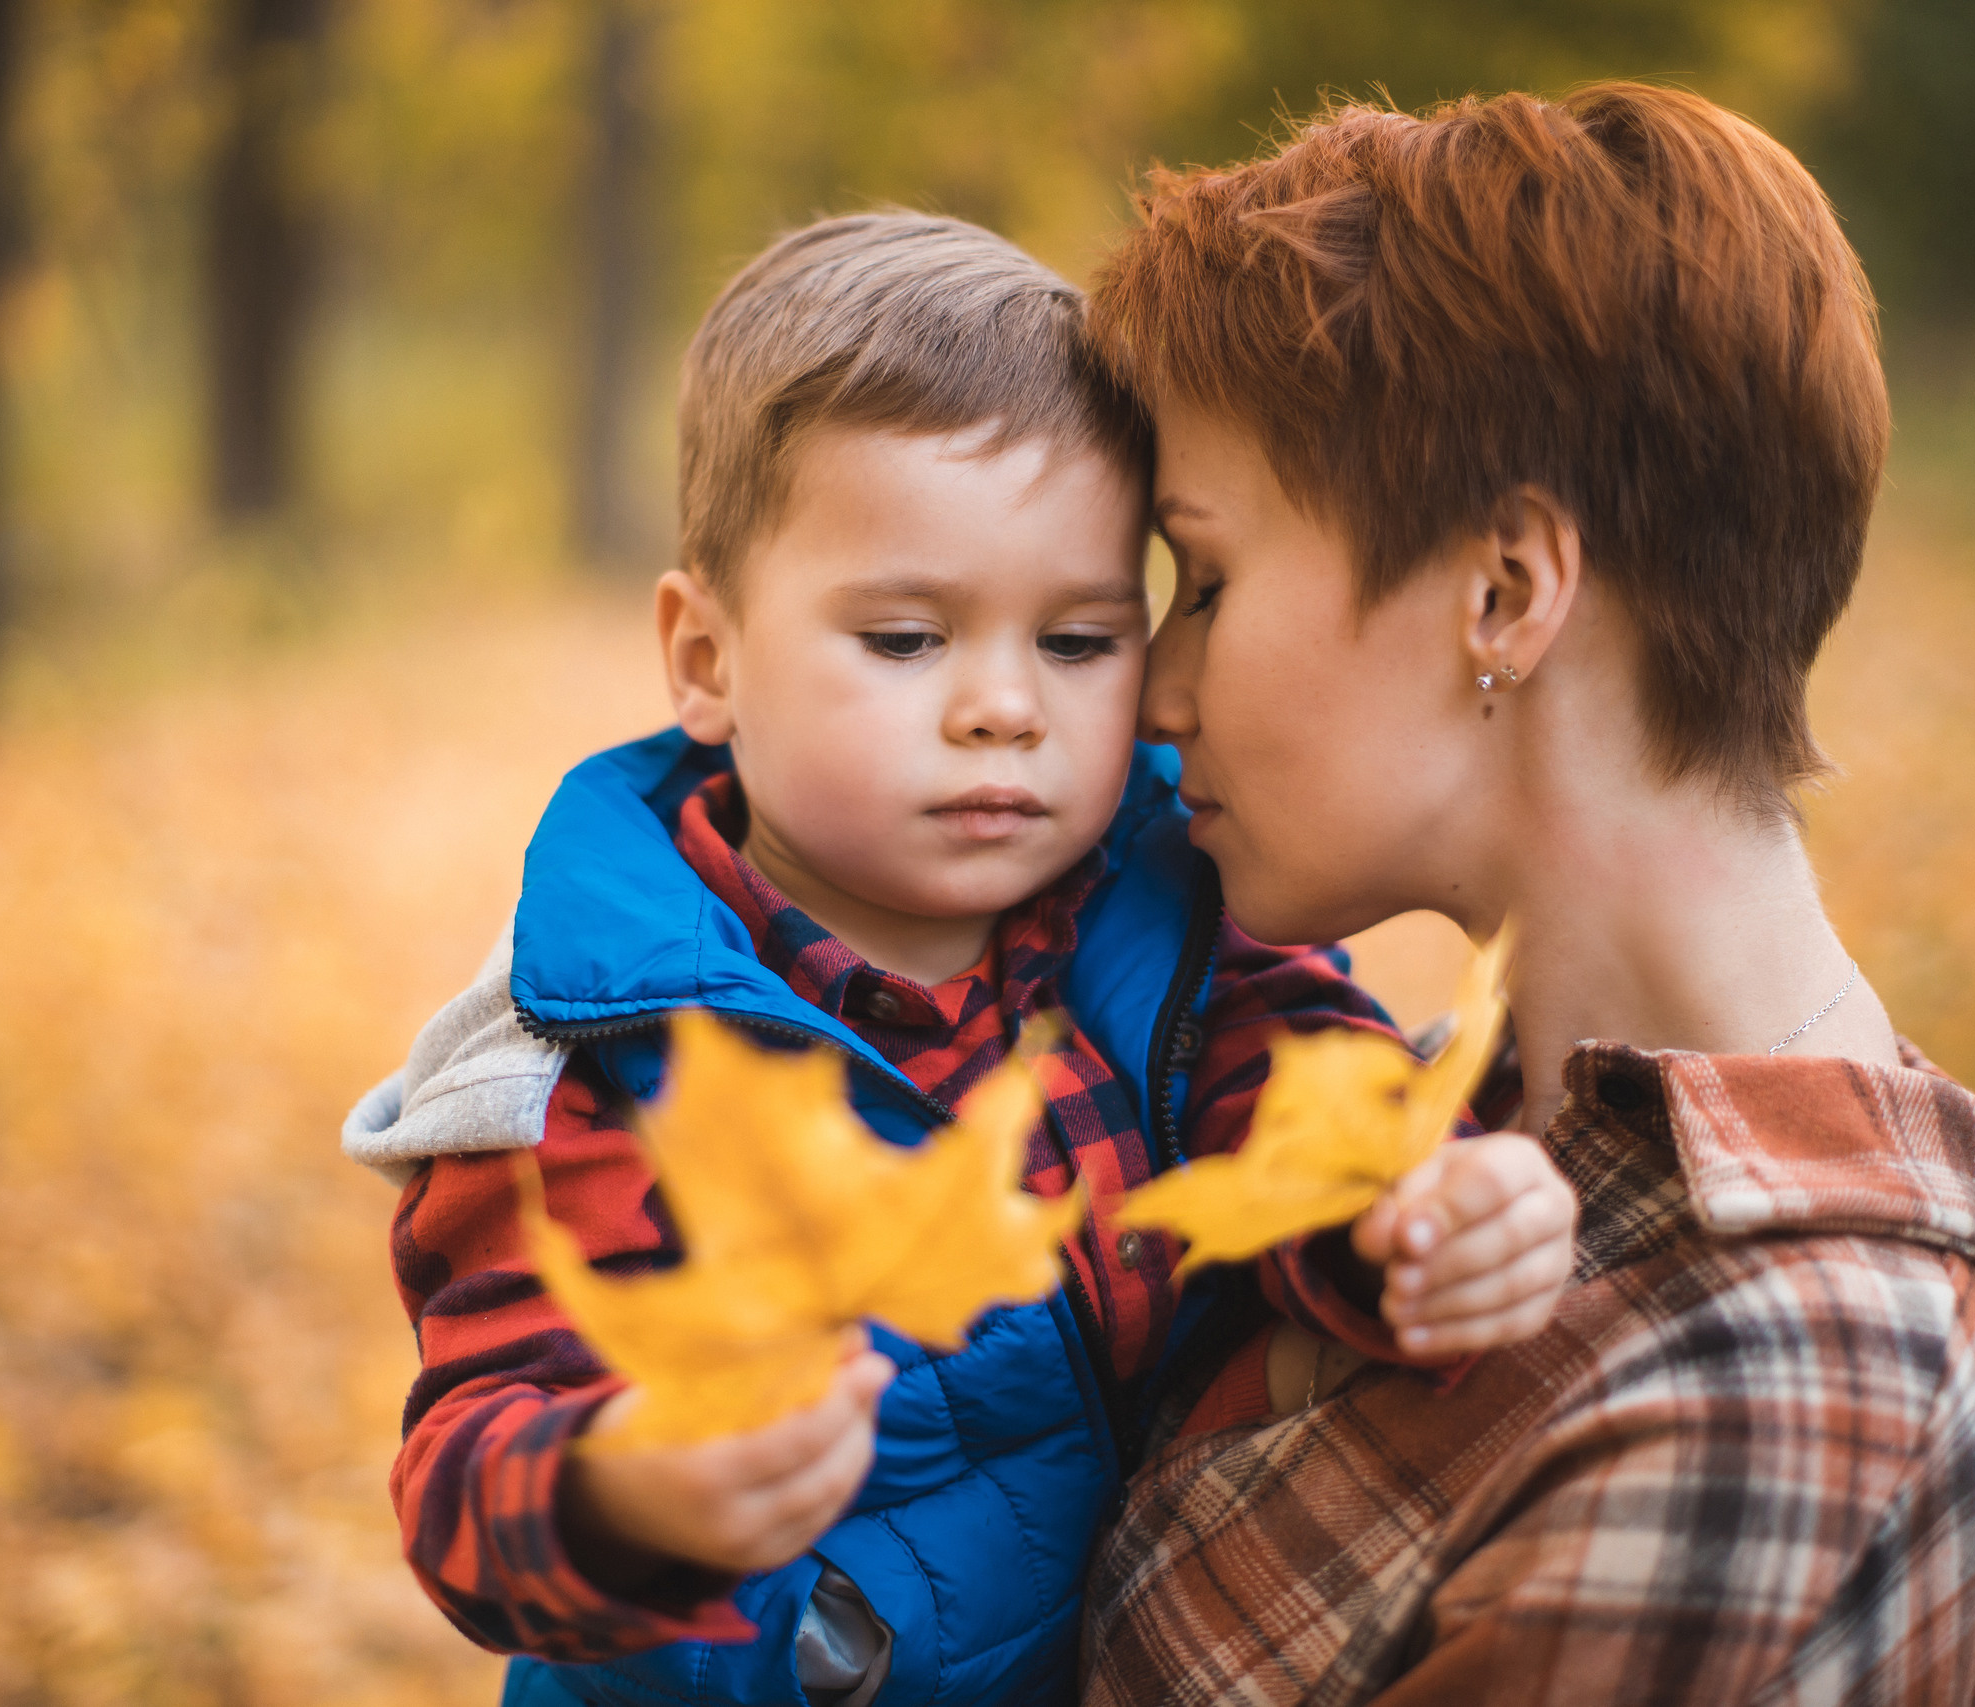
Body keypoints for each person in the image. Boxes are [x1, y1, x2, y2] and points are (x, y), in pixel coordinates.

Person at [341, 212, 1578, 1707]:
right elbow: (468, 1472)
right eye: (910, 638)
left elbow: (1307, 1112)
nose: (1003, 707)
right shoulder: (592, 1061)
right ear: (705, 659)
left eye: (1077, 642)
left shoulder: (1168, 917)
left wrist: (1412, 1223)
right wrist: (623, 1495)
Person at [1072, 86, 1975, 1705]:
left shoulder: (1766, 1400)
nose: (1155, 691)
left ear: (1505, 590)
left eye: (1208, 580)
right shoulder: (1472, 1122)